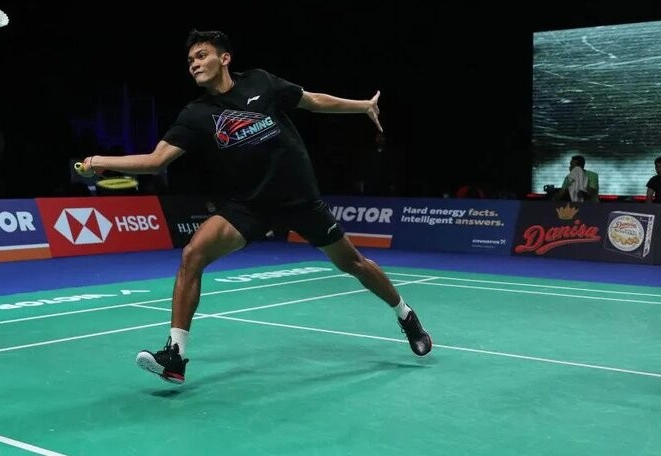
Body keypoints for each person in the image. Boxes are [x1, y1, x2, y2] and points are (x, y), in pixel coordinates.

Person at [76, 30, 432, 385]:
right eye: (190, 60)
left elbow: (313, 101)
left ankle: (405, 315)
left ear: (224, 58)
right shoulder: (196, 114)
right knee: (193, 255)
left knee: (353, 264)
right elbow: (157, 161)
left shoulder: (261, 82)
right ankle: (175, 356)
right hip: (250, 205)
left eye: (201, 56)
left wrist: (363, 106)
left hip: (299, 199)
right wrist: (101, 161)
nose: (194, 64)